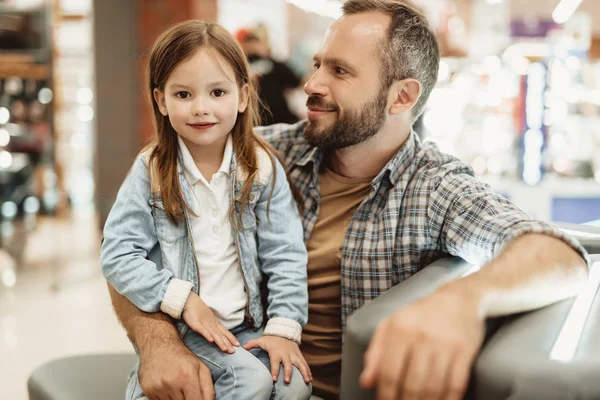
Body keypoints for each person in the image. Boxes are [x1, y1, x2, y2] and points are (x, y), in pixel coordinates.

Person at [106, 2, 590, 400]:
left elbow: (558, 254)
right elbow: (130, 253)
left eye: (339, 71)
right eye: (318, 63)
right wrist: (158, 343)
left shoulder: (433, 187)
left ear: (401, 97)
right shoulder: (265, 153)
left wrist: (462, 302)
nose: (312, 83)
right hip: (226, 360)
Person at [100, 20, 313, 400]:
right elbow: (117, 254)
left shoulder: (262, 169)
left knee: (294, 384)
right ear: (161, 100)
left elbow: (286, 256)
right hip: (187, 331)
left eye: (217, 92)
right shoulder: (151, 170)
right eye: (183, 94)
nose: (201, 108)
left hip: (248, 328)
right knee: (251, 381)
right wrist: (181, 300)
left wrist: (282, 330)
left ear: (243, 95)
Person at [237, 27, 301, 126]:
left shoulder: (273, 63)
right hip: (259, 121)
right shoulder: (239, 66)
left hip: (280, 119)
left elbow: (295, 81)